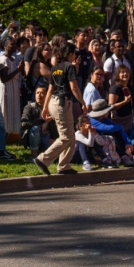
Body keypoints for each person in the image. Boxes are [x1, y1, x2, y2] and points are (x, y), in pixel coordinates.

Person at [34, 40, 85, 175]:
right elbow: (74, 87)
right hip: (63, 103)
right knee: (65, 137)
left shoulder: (55, 68)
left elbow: (50, 90)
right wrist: (82, 102)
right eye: (74, 53)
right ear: (70, 53)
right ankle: (43, 159)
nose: (75, 56)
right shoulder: (69, 67)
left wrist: (45, 108)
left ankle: (63, 165)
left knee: (71, 136)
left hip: (53, 102)